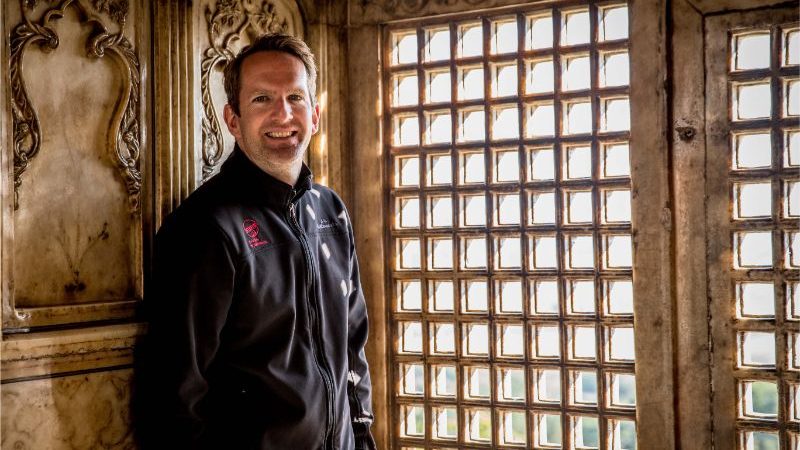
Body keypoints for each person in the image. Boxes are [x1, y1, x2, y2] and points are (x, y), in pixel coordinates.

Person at [136, 33, 376, 450]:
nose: (283, 115)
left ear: (315, 114)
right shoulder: (205, 228)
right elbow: (176, 395)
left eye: (295, 98)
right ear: (233, 119)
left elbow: (352, 350)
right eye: (262, 99)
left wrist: (363, 439)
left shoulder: (331, 212)